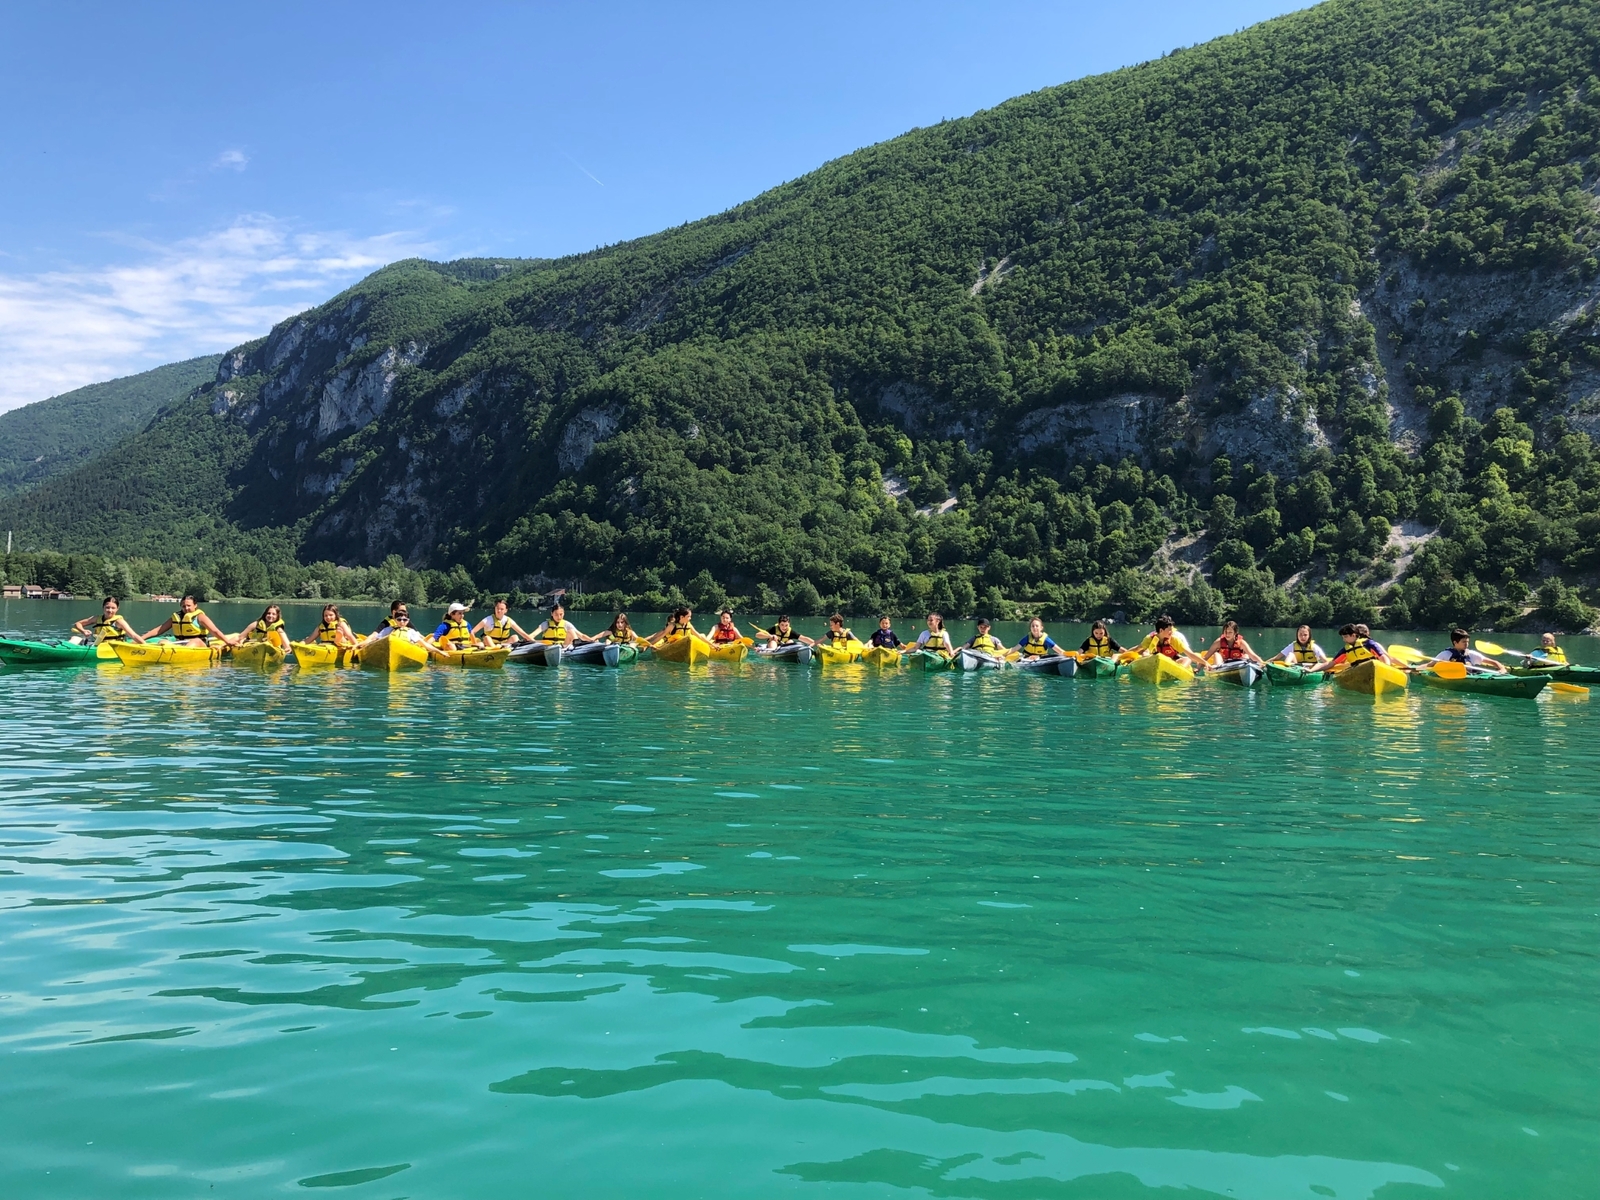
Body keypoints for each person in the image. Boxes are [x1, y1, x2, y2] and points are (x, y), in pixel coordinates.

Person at [143, 594, 231, 647]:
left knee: (194, 641)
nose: (186, 608)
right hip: (180, 643)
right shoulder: (177, 617)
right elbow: (159, 630)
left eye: (189, 606)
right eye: (184, 606)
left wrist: (227, 642)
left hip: (198, 644)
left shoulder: (200, 617)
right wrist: (140, 639)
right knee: (162, 642)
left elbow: (214, 631)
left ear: (195, 605)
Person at [1134, 615, 1208, 668]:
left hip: (1171, 663)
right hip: (1155, 662)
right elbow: (1138, 649)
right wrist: (1124, 654)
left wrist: (1206, 663)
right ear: (1161, 630)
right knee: (1144, 654)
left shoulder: (1174, 640)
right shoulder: (1150, 639)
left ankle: (1180, 672)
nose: (1172, 632)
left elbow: (1190, 654)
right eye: (1169, 630)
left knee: (1187, 659)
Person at [71, 596, 145, 645]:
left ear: (117, 609)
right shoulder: (96, 618)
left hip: (112, 647)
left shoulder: (119, 621)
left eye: (113, 608)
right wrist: (83, 631)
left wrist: (145, 645)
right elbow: (77, 624)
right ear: (103, 607)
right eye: (107, 607)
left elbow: (133, 635)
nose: (110, 610)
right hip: (97, 644)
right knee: (74, 638)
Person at [1433, 628, 1506, 672]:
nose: (1466, 644)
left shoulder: (1471, 654)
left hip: (1471, 676)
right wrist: (1420, 669)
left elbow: (1494, 662)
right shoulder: (1445, 654)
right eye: (1464, 642)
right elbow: (1430, 665)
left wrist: (1502, 668)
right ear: (1455, 642)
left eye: (1467, 642)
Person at [1326, 623, 1393, 670]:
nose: (1344, 640)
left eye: (1345, 637)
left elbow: (1387, 658)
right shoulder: (1347, 648)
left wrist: (1388, 668)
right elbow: (1390, 658)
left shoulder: (1370, 643)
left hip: (1374, 668)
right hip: (1358, 669)